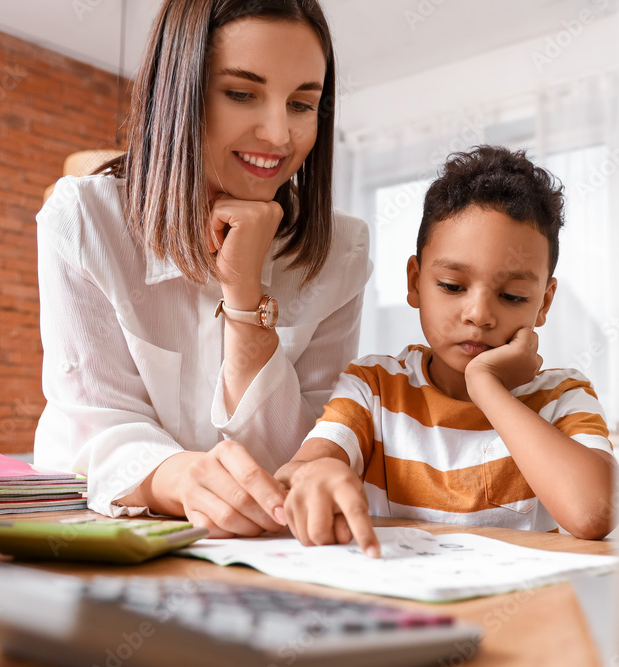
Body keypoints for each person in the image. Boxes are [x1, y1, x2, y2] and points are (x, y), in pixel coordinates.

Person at [33, 0, 371, 537]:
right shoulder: (85, 220)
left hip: (266, 556)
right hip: (97, 536)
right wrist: (180, 477)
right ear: (178, 95)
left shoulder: (340, 250)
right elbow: (92, 424)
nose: (280, 136)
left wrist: (244, 296)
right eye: (241, 94)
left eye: (303, 103)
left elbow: (301, 458)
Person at [275, 146, 619, 556]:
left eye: (511, 296)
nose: (478, 315)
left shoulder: (565, 397)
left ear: (543, 303)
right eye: (453, 287)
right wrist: (319, 473)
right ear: (415, 281)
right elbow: (303, 469)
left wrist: (486, 387)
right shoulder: (374, 388)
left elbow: (594, 513)